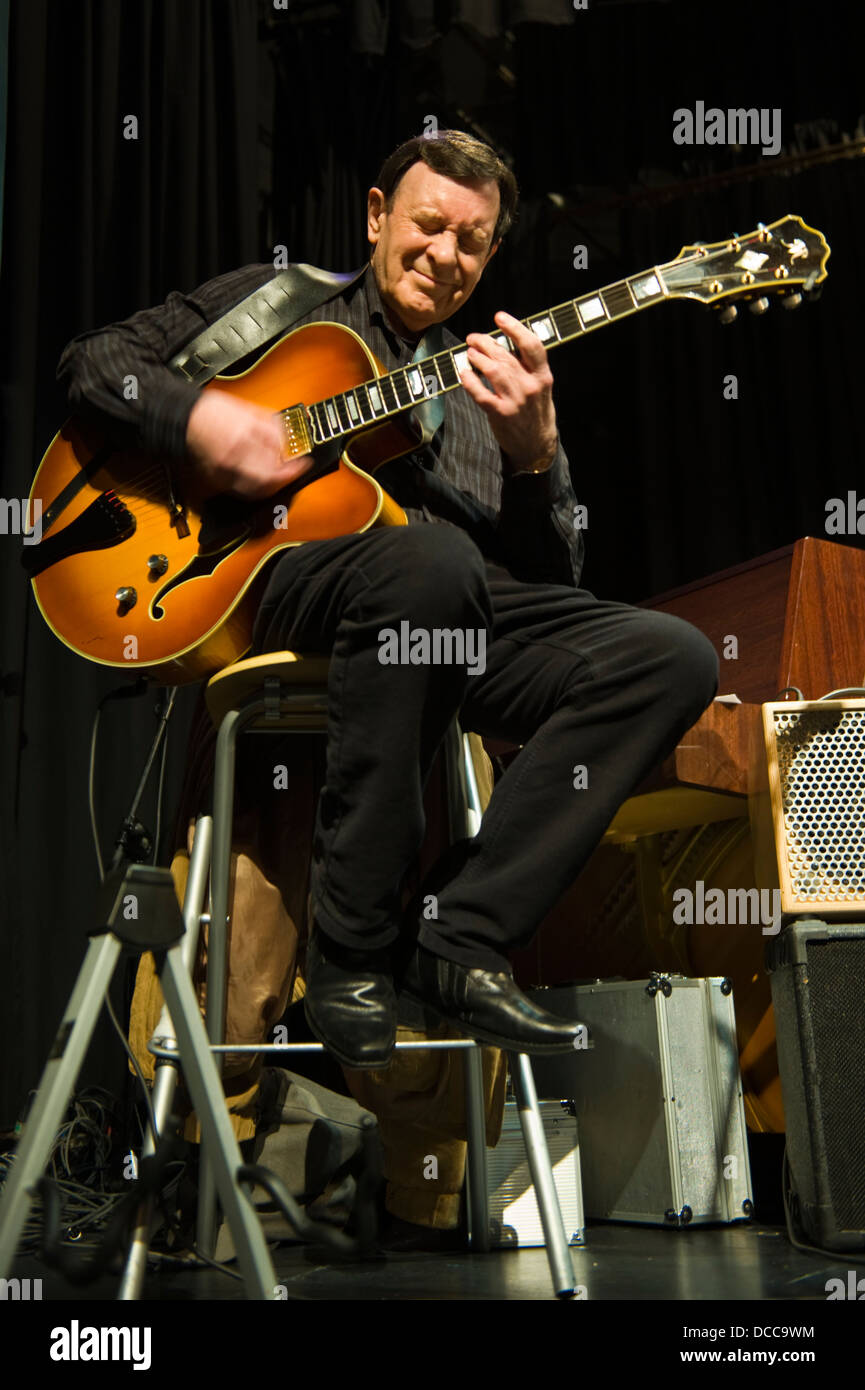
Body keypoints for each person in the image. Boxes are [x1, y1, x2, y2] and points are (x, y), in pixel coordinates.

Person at [58, 130, 719, 1071]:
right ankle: (354, 947)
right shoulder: (281, 306)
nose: (444, 256)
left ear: (491, 257)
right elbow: (93, 364)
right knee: (430, 558)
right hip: (262, 580)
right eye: (427, 226)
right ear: (376, 217)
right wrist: (202, 416)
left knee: (669, 656)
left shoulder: (493, 383)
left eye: (472, 242)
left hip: (438, 615)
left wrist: (533, 458)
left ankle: (455, 935)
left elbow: (546, 586)